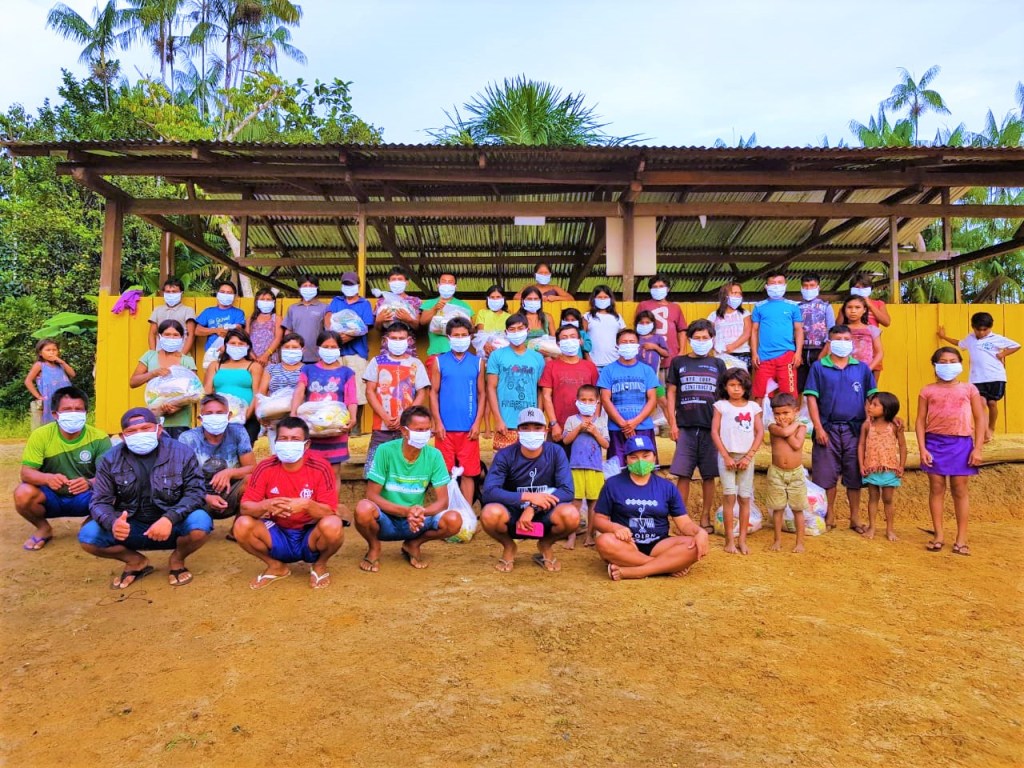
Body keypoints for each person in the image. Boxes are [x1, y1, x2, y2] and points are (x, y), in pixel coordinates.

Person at [79, 408, 212, 589]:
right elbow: (99, 501)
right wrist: (113, 523)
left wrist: (169, 517)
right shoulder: (110, 459)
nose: (139, 434)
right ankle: (135, 561)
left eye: (146, 428)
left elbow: (195, 492)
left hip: (173, 524)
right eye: (131, 431)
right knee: (88, 536)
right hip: (132, 525)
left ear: (158, 429)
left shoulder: (182, 452)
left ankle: (177, 559)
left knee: (201, 522)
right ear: (123, 436)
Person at [234, 417, 345, 589]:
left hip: (309, 533)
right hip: (277, 531)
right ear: (276, 442)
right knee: (242, 524)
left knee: (333, 524)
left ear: (306, 444)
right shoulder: (265, 467)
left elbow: (330, 510)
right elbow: (245, 507)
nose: (288, 443)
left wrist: (307, 505)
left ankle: (320, 564)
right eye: (283, 439)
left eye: (295, 439)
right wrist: (266, 505)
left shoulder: (321, 467)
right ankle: (275, 566)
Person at [354, 406, 459, 571]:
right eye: (419, 430)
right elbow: (372, 495)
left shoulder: (434, 455)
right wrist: (406, 512)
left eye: (427, 429)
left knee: (454, 520)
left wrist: (419, 513)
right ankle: (374, 547)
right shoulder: (385, 451)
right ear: (404, 431)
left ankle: (414, 544)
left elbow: (443, 502)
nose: (424, 434)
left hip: (417, 521)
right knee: (363, 509)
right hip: (386, 520)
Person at [595, 435, 709, 581]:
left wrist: (700, 532)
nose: (641, 461)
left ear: (654, 458)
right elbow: (598, 520)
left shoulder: (667, 487)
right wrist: (615, 528)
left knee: (693, 545)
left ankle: (636, 571)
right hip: (627, 544)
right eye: (634, 457)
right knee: (603, 541)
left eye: (645, 455)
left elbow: (684, 523)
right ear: (626, 460)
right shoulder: (613, 484)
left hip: (659, 544)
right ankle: (664, 567)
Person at [480, 407, 579, 572]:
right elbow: (489, 491)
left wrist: (533, 507)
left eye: (537, 427)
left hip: (545, 514)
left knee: (571, 514)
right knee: (489, 514)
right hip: (512, 514)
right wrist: (527, 497)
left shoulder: (556, 452)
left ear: (545, 430)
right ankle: (509, 546)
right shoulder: (505, 455)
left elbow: (567, 491)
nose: (531, 432)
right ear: (518, 431)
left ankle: (546, 544)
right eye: (525, 428)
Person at [15, 386, 111, 551]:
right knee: (22, 493)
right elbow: (26, 472)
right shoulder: (41, 435)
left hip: (86, 496)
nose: (73, 413)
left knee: (120, 492)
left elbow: (109, 476)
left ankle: (89, 525)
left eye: (78, 409)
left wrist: (89, 482)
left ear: (86, 413)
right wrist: (48, 479)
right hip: (50, 496)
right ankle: (43, 528)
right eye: (67, 409)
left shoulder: (100, 437)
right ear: (55, 414)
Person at [803, 325, 877, 533]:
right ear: (830, 342)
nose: (842, 342)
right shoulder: (819, 367)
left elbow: (871, 398)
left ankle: (855, 518)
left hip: (855, 430)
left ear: (851, 341)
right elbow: (811, 398)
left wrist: (871, 423)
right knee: (826, 475)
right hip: (828, 428)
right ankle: (829, 515)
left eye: (846, 338)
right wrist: (818, 428)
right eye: (838, 339)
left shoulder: (862, 368)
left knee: (854, 475)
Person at [916, 347, 987, 555]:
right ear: (935, 366)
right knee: (936, 488)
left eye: (952, 361)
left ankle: (961, 538)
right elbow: (920, 420)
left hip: (962, 444)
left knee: (959, 489)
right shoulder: (927, 390)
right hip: (934, 443)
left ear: (961, 364)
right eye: (943, 362)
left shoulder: (969, 389)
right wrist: (922, 448)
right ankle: (938, 535)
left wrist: (978, 448)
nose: (948, 365)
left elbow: (980, 418)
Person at [667, 319, 727, 534]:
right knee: (683, 475)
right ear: (690, 339)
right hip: (685, 427)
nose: (701, 341)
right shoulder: (678, 362)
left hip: (712, 429)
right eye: (697, 338)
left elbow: (723, 398)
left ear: (712, 340)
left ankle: (705, 517)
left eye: (706, 338)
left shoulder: (718, 364)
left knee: (708, 475)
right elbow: (671, 392)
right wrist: (672, 423)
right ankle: (681, 521)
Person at [938, 313, 1020, 442]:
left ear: (990, 328)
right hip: (976, 378)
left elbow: (1016, 345)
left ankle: (991, 427)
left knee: (992, 403)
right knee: (980, 403)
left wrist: (1002, 354)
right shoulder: (970, 339)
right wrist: (943, 337)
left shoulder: (996, 338)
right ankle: (985, 432)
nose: (981, 333)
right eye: (978, 329)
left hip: (995, 376)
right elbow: (959, 343)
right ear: (973, 327)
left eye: (985, 330)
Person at [363, 321, 430, 477]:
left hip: (407, 428)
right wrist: (385, 417)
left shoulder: (416, 363)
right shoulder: (377, 362)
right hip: (381, 426)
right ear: (386, 340)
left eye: (401, 338)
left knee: (404, 469)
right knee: (375, 470)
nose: (398, 341)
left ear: (409, 340)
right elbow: (370, 391)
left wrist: (404, 418)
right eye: (394, 338)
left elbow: (422, 393)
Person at [430, 316, 484, 502]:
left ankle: (466, 515)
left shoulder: (478, 362)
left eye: (464, 335)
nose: (460, 338)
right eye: (456, 335)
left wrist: (477, 423)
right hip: (444, 429)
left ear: (470, 336)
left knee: (469, 473)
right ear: (448, 337)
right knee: (443, 473)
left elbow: (481, 394)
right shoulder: (439, 362)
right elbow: (433, 393)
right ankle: (445, 512)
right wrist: (437, 422)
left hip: (469, 429)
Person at [711, 368, 764, 555]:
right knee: (729, 497)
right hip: (727, 457)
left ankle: (742, 539)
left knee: (744, 498)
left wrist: (749, 456)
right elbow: (715, 432)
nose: (736, 389)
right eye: (732, 385)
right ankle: (729, 540)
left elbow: (759, 433)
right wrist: (725, 456)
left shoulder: (753, 407)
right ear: (725, 386)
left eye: (740, 385)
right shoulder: (721, 406)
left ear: (746, 387)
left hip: (746, 458)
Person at [179, 394, 255, 523]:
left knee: (252, 480)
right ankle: (196, 526)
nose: (214, 416)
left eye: (220, 413)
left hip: (230, 493)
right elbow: (180, 479)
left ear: (229, 416)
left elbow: (253, 468)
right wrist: (205, 496)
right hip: (198, 496)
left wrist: (230, 473)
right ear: (201, 419)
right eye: (209, 413)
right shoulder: (187, 438)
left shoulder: (238, 432)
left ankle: (238, 527)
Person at [290, 330, 357, 472]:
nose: (329, 350)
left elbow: (351, 399)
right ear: (318, 348)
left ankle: (332, 496)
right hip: (312, 428)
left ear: (340, 349)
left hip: (336, 428)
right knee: (310, 471)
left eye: (333, 347)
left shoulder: (347, 372)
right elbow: (299, 391)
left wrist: (353, 418)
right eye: (326, 347)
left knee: (333, 472)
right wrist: (293, 413)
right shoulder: (308, 369)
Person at [598, 328, 660, 467]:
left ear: (638, 345)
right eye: (624, 342)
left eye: (632, 342)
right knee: (618, 470)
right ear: (617, 346)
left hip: (643, 427)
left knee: (644, 468)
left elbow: (652, 399)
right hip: (616, 429)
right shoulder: (608, 370)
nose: (628, 345)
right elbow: (605, 399)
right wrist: (623, 424)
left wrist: (634, 422)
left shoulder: (647, 370)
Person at [129, 319, 198, 438]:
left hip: (180, 421)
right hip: (154, 419)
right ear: (160, 336)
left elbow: (195, 391)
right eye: (167, 334)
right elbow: (133, 382)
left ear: (182, 338)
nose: (171, 338)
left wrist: (175, 407)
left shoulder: (187, 360)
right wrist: (153, 373)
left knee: (178, 454)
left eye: (176, 335)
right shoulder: (149, 356)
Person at [325, 271, 376, 432]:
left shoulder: (364, 304)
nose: (349, 287)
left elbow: (364, 327)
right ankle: (337, 426)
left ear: (359, 286)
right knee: (336, 390)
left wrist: (340, 338)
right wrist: (331, 333)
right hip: (336, 355)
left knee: (358, 392)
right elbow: (328, 317)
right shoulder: (336, 301)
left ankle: (355, 429)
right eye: (346, 284)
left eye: (352, 284)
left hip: (357, 353)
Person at [486, 313, 545, 450]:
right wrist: (498, 419)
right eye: (512, 329)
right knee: (504, 466)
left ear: (527, 330)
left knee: (530, 465)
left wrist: (538, 417)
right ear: (506, 333)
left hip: (530, 423)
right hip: (506, 424)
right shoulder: (497, 355)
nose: (516, 332)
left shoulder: (537, 358)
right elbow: (491, 388)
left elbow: (540, 390)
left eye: (520, 328)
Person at [560, 384, 609, 549]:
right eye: (583, 400)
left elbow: (606, 444)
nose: (587, 403)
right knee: (575, 503)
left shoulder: (601, 422)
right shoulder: (572, 420)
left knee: (593, 503)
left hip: (595, 468)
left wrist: (595, 432)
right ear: (577, 401)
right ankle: (571, 536)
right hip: (575, 467)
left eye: (590, 400)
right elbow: (565, 440)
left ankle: (590, 534)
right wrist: (579, 428)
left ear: (597, 402)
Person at [539, 323, 599, 450]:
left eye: (572, 337)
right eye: (564, 338)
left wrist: (595, 424)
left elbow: (598, 399)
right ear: (558, 343)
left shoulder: (590, 367)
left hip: (587, 429)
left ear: (579, 341)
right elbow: (546, 396)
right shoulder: (551, 366)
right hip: (559, 429)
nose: (569, 340)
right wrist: (553, 423)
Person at [858, 392, 907, 542]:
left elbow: (903, 445)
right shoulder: (867, 425)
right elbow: (861, 445)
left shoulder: (894, 426)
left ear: (886, 409)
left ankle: (890, 529)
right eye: (870, 404)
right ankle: (872, 527)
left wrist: (901, 466)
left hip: (890, 469)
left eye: (875, 405)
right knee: (873, 498)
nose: (870, 407)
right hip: (871, 467)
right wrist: (861, 464)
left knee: (888, 499)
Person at [203, 328, 263, 445]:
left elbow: (257, 394)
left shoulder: (254, 366)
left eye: (241, 344)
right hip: (219, 418)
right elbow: (207, 392)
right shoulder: (215, 365)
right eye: (232, 343)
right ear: (225, 345)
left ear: (248, 347)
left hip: (247, 419)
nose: (236, 346)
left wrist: (245, 417)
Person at [765, 393, 809, 553]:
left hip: (796, 474)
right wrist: (789, 426)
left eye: (785, 413)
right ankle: (777, 540)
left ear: (796, 411)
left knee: (798, 509)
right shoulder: (773, 427)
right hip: (776, 473)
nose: (781, 417)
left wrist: (792, 427)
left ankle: (800, 542)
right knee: (778, 508)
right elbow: (783, 433)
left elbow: (796, 445)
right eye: (777, 414)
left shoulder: (802, 427)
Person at [750, 271, 804, 402]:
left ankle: (790, 422)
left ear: (785, 285)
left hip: (787, 357)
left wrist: (798, 353)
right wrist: (754, 354)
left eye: (780, 283)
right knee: (760, 395)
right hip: (763, 357)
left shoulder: (793, 306)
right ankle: (760, 423)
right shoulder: (759, 306)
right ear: (766, 286)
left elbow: (798, 330)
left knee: (790, 396)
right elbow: (754, 331)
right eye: (773, 283)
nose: (776, 286)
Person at [256, 331, 305, 450]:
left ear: (303, 350)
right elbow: (261, 392)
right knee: (277, 453)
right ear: (281, 350)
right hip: (274, 419)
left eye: (294, 347)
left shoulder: (307, 369)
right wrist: (260, 415)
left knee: (297, 453)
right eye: (287, 347)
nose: (291, 350)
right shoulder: (271, 369)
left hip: (299, 419)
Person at [822, 296, 882, 382]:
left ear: (864, 310)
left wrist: (868, 369)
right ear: (844, 310)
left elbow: (879, 352)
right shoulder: (839, 330)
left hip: (865, 372)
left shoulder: (872, 329)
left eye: (857, 307)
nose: (853, 311)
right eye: (849, 307)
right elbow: (829, 352)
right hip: (841, 372)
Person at [635, 274, 687, 370]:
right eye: (655, 287)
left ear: (668, 289)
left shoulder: (675, 307)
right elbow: (637, 328)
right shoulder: (643, 305)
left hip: (672, 356)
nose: (658, 289)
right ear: (650, 290)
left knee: (669, 383)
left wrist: (682, 351)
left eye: (661, 286)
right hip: (647, 356)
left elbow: (682, 330)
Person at [797, 273, 836, 397]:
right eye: (805, 286)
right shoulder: (796, 307)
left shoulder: (826, 306)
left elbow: (832, 331)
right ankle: (799, 413)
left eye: (812, 286)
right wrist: (796, 352)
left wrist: (825, 352)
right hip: (801, 352)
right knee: (800, 386)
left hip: (820, 350)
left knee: (820, 384)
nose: (808, 289)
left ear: (818, 287)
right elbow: (793, 330)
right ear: (801, 288)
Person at [420, 272, 474, 356]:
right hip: (436, 351)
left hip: (457, 352)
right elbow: (422, 321)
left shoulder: (463, 305)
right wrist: (434, 309)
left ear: (455, 286)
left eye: (450, 282)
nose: (447, 284)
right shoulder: (430, 303)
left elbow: (471, 328)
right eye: (444, 281)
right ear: (438, 285)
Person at [25, 338, 74, 426]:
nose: (52, 352)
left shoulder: (60, 365)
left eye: (54, 350)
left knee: (67, 420)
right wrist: (38, 396)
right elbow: (28, 381)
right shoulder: (39, 365)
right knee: (52, 423)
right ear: (40, 353)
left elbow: (72, 374)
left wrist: (62, 362)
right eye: (48, 350)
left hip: (66, 397)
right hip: (51, 399)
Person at [636, 309, 671, 428]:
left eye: (647, 322)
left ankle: (673, 427)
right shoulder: (635, 338)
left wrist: (654, 347)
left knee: (664, 403)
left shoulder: (657, 338)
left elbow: (666, 353)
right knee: (642, 404)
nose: (645, 325)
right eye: (642, 323)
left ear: (653, 324)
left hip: (654, 380)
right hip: (637, 379)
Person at [373, 267, 422, 353]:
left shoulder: (414, 301)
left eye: (400, 279)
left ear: (406, 282)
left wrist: (409, 319)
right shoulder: (381, 301)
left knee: (407, 366)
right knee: (386, 366)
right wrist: (379, 321)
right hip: (387, 346)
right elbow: (377, 329)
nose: (396, 282)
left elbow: (417, 326)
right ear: (388, 282)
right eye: (393, 279)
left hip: (408, 346)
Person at [282, 275, 328, 364]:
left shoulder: (325, 308)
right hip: (296, 356)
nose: (308, 288)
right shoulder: (292, 308)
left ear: (317, 288)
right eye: (305, 286)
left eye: (311, 286)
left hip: (318, 357)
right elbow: (288, 333)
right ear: (299, 288)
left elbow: (328, 333)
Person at [194, 280, 246, 356]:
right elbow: (197, 331)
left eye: (229, 293)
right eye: (222, 292)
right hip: (212, 352)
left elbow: (239, 329)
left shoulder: (238, 313)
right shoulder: (208, 312)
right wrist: (216, 330)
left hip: (231, 352)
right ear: (217, 294)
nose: (225, 294)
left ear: (234, 296)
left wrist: (228, 332)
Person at [708, 282, 751, 368]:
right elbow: (708, 334)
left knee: (741, 380)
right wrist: (715, 347)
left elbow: (747, 332)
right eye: (734, 293)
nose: (738, 296)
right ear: (725, 295)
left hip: (741, 353)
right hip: (721, 355)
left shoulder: (744, 313)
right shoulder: (714, 315)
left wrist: (733, 346)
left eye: (740, 293)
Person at [147, 277, 195, 353]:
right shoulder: (157, 310)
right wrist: (153, 354)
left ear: (181, 293)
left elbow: (191, 335)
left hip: (181, 354)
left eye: (174, 292)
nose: (171, 294)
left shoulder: (188, 311)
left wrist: (182, 355)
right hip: (160, 355)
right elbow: (152, 334)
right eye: (168, 292)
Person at [584, 285, 626, 369]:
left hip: (615, 362)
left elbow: (623, 338)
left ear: (610, 299)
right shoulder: (587, 317)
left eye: (605, 297)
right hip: (594, 363)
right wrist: (587, 358)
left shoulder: (617, 317)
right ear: (594, 299)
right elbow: (583, 339)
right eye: (599, 297)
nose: (602, 299)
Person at [246, 288, 283, 365]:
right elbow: (245, 338)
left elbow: (278, 338)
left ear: (273, 302)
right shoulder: (250, 319)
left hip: (270, 357)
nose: (265, 301)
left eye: (268, 299)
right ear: (256, 302)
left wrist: (266, 355)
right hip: (252, 357)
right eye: (262, 299)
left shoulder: (277, 318)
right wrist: (251, 354)